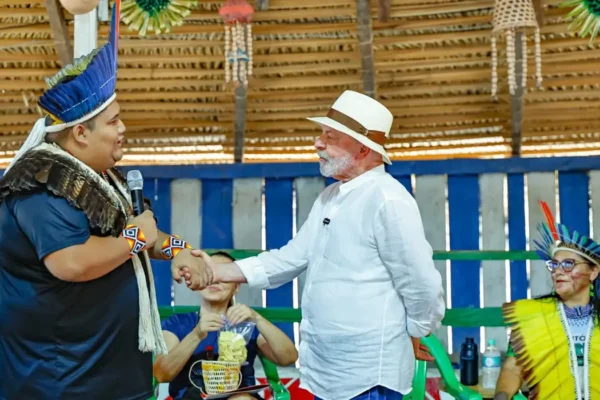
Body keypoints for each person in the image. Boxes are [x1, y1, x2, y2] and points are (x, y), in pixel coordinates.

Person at [0, 2, 209, 399]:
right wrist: (138, 238)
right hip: (61, 385)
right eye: (113, 121)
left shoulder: (102, 177)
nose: (123, 128)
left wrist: (179, 249)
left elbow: (141, 234)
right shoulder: (41, 183)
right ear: (80, 133)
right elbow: (72, 262)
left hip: (115, 379)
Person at [190, 90, 446, 400]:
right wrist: (216, 272)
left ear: (363, 148)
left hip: (367, 375)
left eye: (330, 136)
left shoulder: (388, 199)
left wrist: (416, 330)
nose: (318, 143)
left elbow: (420, 282)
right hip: (327, 371)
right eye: (322, 133)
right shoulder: (330, 198)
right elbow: (290, 259)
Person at [153, 251, 298, 400]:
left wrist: (258, 318)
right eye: (209, 273)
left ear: (236, 287)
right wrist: (196, 334)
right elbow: (161, 374)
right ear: (199, 282)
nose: (215, 280)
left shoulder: (247, 324)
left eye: (224, 275)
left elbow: (288, 358)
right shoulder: (178, 323)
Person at [494, 201, 600, 400]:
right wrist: (501, 396)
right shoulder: (532, 316)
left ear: (593, 272)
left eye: (568, 264)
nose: (558, 271)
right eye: (555, 265)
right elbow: (512, 369)